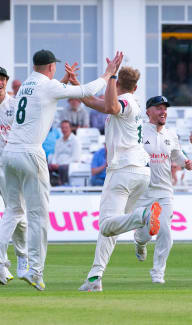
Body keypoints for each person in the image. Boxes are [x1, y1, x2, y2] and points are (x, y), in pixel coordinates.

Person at [0, 49, 121, 291]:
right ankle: (35, 271)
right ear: (51, 67)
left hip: (9, 154)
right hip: (30, 153)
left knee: (13, 212)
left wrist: (63, 82)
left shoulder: (25, 85)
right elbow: (87, 91)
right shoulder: (48, 86)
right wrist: (109, 74)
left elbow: (49, 94)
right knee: (38, 216)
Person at [77, 64, 162, 292]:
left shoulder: (126, 102)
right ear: (136, 86)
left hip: (123, 171)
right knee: (113, 226)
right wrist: (74, 86)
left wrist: (111, 76)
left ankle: (143, 216)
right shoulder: (126, 101)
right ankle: (95, 277)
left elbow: (113, 105)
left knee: (106, 225)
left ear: (118, 84)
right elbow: (95, 102)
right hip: (140, 173)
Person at [133, 95, 192, 284]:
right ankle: (140, 242)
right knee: (146, 233)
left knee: (166, 231)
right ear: (148, 111)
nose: (163, 111)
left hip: (164, 191)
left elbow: (177, 155)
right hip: (143, 191)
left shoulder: (171, 134)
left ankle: (158, 272)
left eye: (165, 108)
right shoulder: (139, 132)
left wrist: (186, 162)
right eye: (158, 108)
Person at [0, 67, 28, 285]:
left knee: (18, 215)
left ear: (6, 82)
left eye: (2, 79)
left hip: (11, 166)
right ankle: (3, 264)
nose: (0, 82)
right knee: (14, 212)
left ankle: (22, 255)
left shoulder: (15, 104)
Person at [48, 120, 81, 186]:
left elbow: (75, 158)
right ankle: (50, 186)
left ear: (70, 128)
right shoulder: (58, 141)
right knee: (47, 167)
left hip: (69, 165)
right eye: (62, 128)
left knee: (63, 168)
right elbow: (55, 155)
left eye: (66, 127)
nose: (64, 130)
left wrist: (60, 165)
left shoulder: (75, 141)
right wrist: (54, 163)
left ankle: (63, 186)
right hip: (58, 164)